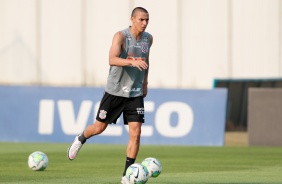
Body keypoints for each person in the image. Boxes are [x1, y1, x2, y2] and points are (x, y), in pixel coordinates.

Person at [67, 7, 153, 184]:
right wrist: (131, 61)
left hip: (135, 92)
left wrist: (144, 82)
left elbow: (147, 59)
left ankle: (127, 176)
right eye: (141, 20)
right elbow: (112, 59)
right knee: (99, 128)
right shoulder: (121, 36)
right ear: (132, 19)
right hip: (114, 91)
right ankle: (81, 138)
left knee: (136, 133)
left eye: (147, 20)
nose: (144, 23)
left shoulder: (148, 39)